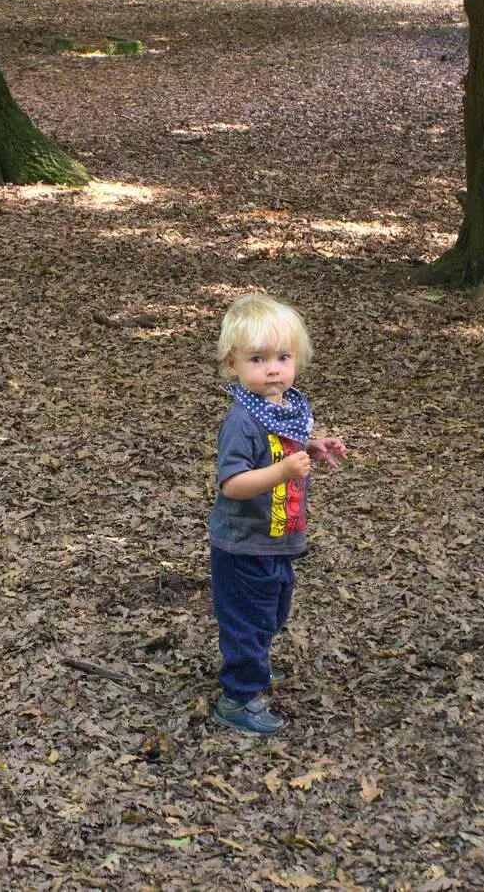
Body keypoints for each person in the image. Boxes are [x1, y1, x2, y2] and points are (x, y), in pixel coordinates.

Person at [207, 293, 347, 735]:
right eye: (258, 358)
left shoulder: (284, 409)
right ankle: (239, 696)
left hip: (279, 536)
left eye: (283, 357)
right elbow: (233, 483)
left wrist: (311, 448)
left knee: (273, 610)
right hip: (243, 542)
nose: (272, 368)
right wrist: (283, 470)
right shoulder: (242, 421)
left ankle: (255, 666)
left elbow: (284, 447)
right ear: (233, 365)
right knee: (248, 618)